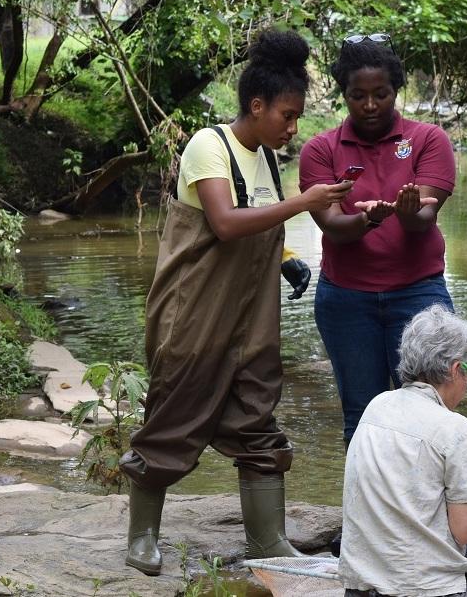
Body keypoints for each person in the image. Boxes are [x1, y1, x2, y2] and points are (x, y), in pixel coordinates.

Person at [118, 29, 353, 576]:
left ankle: (267, 541)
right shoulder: (209, 145)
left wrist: (286, 257)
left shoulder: (268, 161)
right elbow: (224, 223)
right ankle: (141, 540)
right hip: (193, 316)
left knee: (257, 422)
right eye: (288, 116)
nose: (294, 129)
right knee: (172, 423)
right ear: (257, 105)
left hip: (250, 321)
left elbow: (256, 227)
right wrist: (303, 202)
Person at [298, 33, 467, 569]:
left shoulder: (429, 139)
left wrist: (407, 211)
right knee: (362, 415)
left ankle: (455, 528)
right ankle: (366, 525)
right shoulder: (321, 150)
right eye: (358, 96)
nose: (369, 106)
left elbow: (424, 218)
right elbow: (334, 230)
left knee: (438, 410)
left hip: (418, 293)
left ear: (395, 90)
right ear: (343, 94)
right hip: (348, 299)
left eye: (380, 94)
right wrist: (370, 216)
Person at [339, 305, 467, 597]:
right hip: (425, 589)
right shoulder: (457, 429)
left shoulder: (377, 406)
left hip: (361, 586)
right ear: (457, 369)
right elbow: (465, 530)